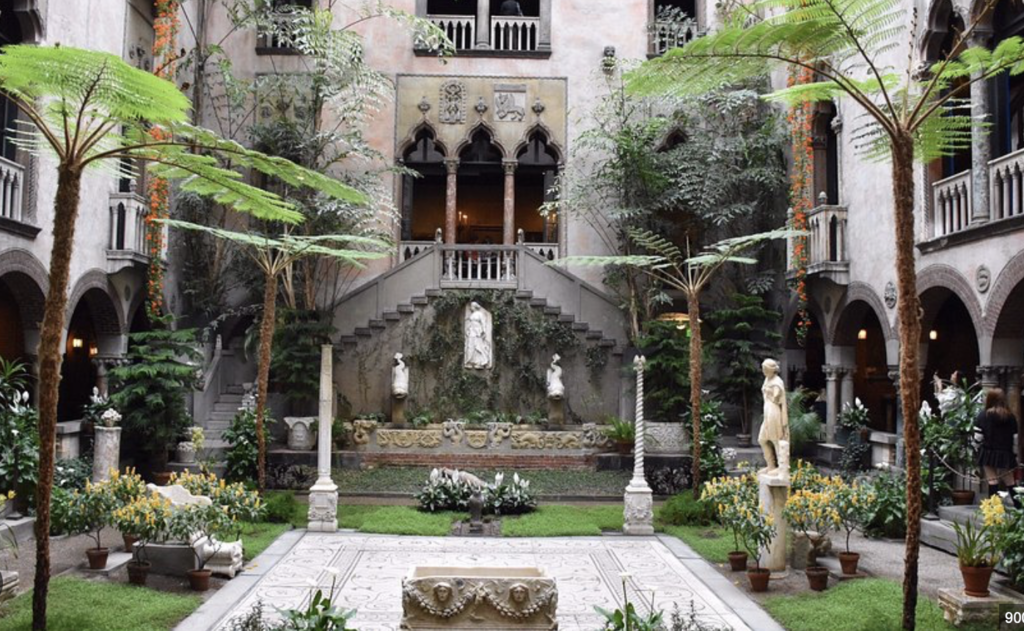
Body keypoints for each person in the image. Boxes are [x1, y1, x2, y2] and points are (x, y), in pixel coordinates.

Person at [975, 388, 1019, 496]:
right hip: (1005, 453)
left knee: (992, 480)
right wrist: (1015, 454)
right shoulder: (1011, 417)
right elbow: (1015, 438)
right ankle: (1018, 504)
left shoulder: (983, 415)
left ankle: (993, 505)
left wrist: (976, 448)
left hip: (988, 452)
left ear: (989, 399)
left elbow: (978, 437)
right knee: (1010, 481)